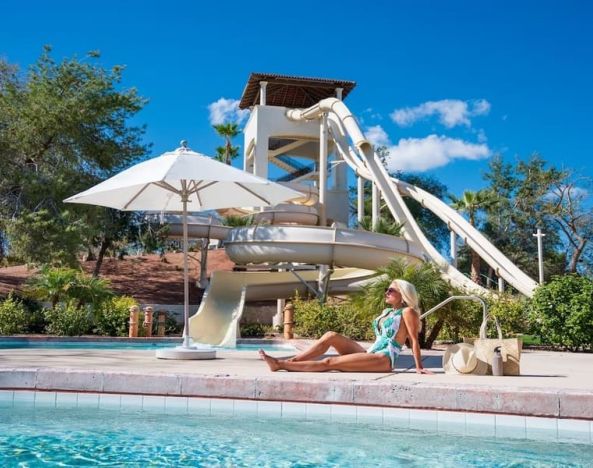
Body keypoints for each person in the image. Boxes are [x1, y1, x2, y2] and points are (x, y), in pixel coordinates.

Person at [259, 279, 433, 374]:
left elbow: (414, 341)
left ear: (402, 295)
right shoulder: (387, 311)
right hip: (371, 352)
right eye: (387, 290)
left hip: (384, 358)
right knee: (330, 335)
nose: (386, 293)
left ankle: (280, 364)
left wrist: (419, 367)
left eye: (390, 290)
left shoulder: (408, 312)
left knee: (330, 362)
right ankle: (293, 361)